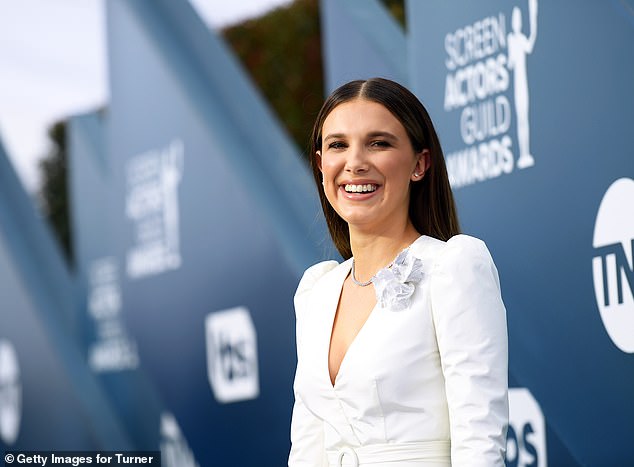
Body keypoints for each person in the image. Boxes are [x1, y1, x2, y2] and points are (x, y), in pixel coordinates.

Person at [288, 78, 508, 467]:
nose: (354, 162)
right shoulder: (315, 292)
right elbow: (307, 449)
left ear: (420, 164)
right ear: (321, 164)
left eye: (379, 143)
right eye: (338, 145)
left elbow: (480, 440)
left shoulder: (453, 267)